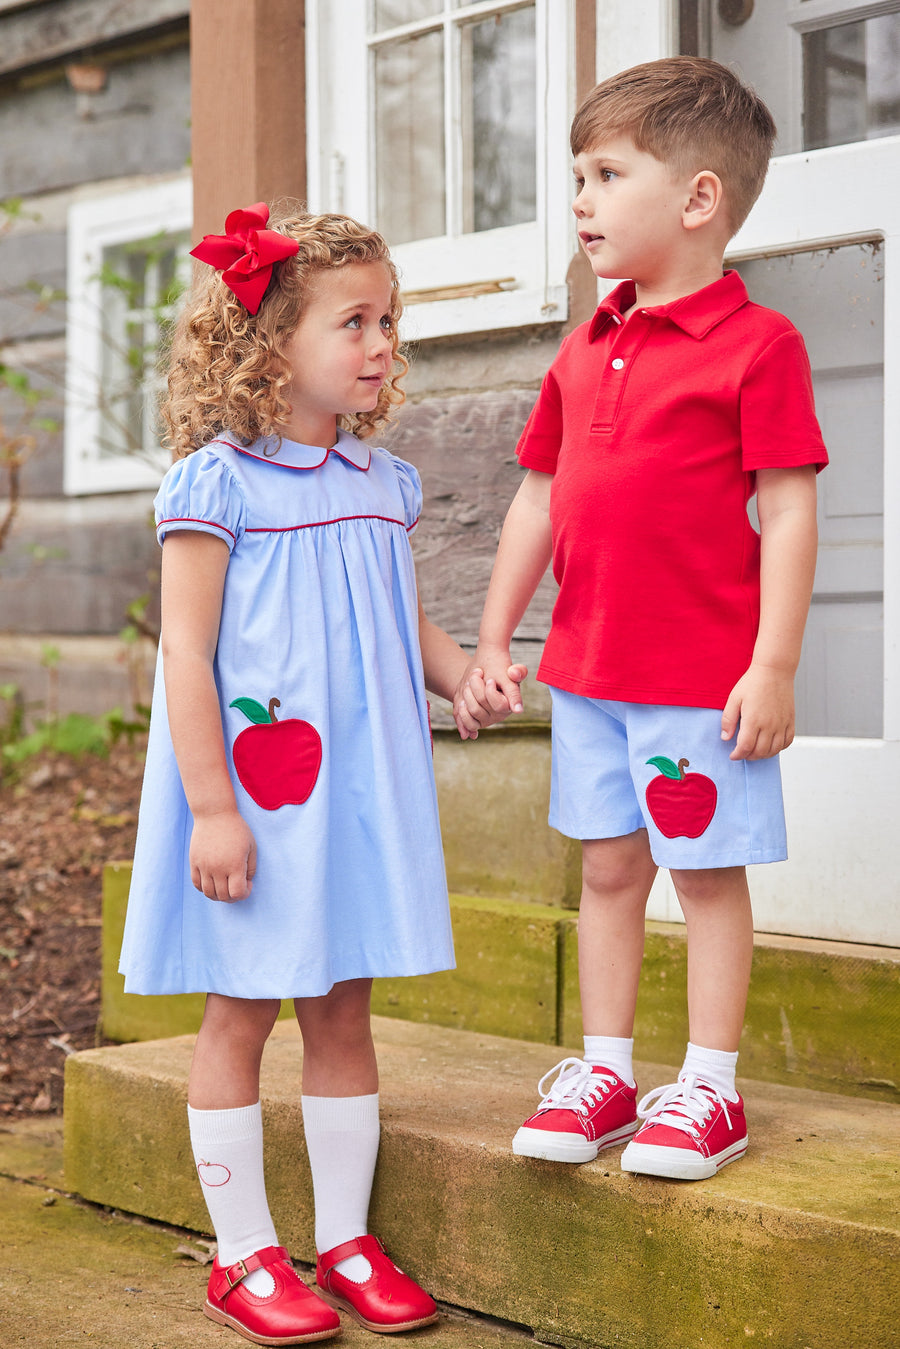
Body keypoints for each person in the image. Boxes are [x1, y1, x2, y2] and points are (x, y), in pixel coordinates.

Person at [120, 202, 519, 1345]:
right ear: (268, 343)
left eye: (389, 320)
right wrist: (210, 809)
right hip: (256, 796)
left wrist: (463, 680)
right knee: (243, 1004)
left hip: (355, 796)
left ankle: (342, 1235)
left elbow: (402, 624)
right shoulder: (217, 485)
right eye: (355, 320)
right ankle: (243, 1254)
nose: (382, 342)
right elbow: (185, 653)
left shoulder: (381, 482)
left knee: (344, 1005)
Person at [453, 57, 828, 1182]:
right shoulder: (583, 346)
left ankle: (708, 1085)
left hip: (703, 681)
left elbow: (791, 510)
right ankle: (606, 1070)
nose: (579, 199)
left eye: (606, 173)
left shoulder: (761, 348)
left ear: (698, 198)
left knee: (707, 874)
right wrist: (491, 638)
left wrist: (775, 663)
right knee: (608, 871)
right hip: (591, 676)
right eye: (578, 174)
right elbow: (535, 499)